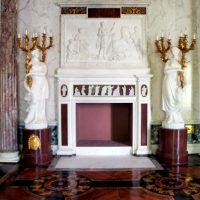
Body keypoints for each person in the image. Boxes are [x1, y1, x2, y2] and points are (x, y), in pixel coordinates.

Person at [24, 49, 49, 129]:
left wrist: (35, 73)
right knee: (34, 100)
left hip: (42, 83)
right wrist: (27, 86)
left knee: (41, 101)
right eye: (36, 52)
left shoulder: (42, 64)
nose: (38, 53)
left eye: (38, 52)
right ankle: (31, 118)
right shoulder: (30, 63)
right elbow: (27, 74)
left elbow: (44, 73)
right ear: (33, 53)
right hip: (34, 82)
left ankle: (40, 118)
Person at [162, 47, 184, 129]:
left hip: (175, 83)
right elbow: (165, 71)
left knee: (177, 99)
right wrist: (176, 69)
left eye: (176, 52)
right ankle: (170, 117)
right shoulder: (168, 62)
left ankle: (176, 117)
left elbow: (181, 73)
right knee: (169, 99)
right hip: (168, 82)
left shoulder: (178, 63)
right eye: (173, 52)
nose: (174, 54)